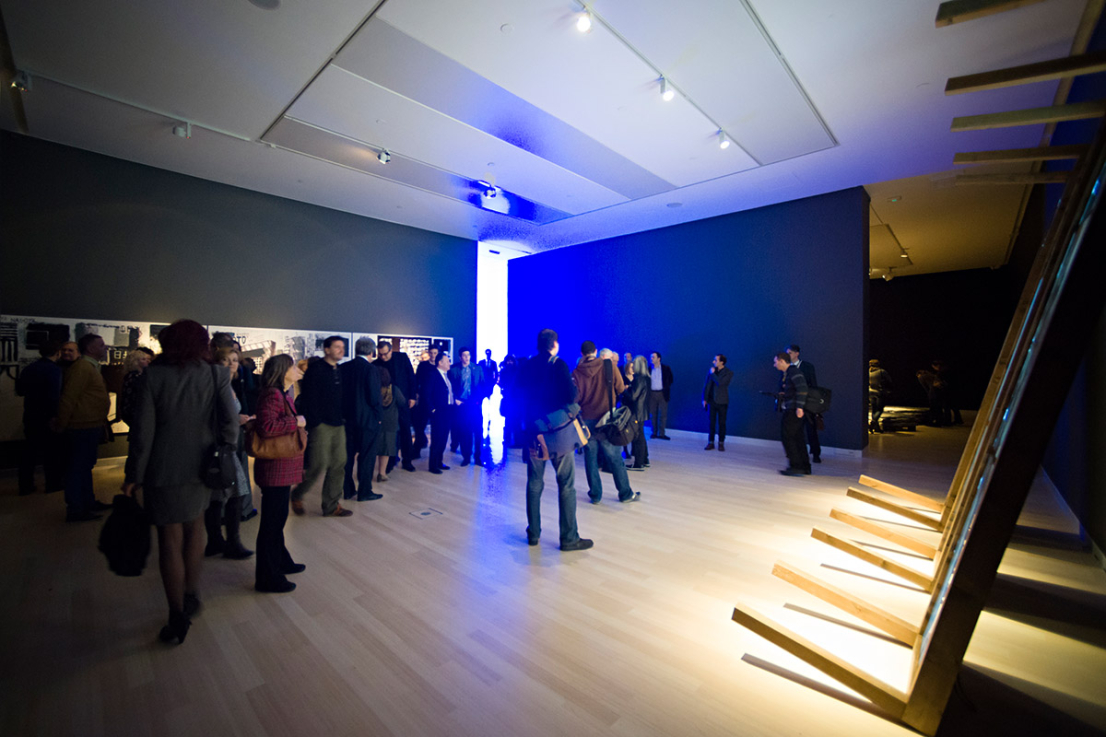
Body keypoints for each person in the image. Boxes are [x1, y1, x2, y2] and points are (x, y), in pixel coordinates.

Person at [122, 319, 239, 643]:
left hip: (163, 470)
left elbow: (143, 433)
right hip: (204, 468)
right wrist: (222, 451)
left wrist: (134, 474)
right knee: (195, 529)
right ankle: (191, 594)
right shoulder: (215, 374)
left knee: (169, 540)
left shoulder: (153, 376)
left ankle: (176, 616)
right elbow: (231, 422)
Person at [519, 329, 593, 551]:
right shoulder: (558, 364)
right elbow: (571, 396)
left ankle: (533, 534)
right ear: (554, 344)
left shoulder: (527, 365)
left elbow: (516, 396)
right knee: (566, 484)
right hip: (558, 432)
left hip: (534, 432)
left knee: (534, 483)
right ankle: (569, 538)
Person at [251, 354, 308, 594]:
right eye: (293, 366)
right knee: (272, 523)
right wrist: (297, 422)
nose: (297, 369)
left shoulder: (282, 393)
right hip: (275, 466)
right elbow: (267, 427)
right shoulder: (273, 394)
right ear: (283, 371)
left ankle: (281, 561)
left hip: (280, 466)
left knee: (277, 519)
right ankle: (267, 577)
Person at [572, 342, 638, 504]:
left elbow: (575, 399)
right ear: (595, 351)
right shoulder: (608, 366)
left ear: (581, 354)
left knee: (590, 459)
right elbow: (621, 389)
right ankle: (625, 493)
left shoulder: (576, 372)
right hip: (607, 419)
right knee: (615, 457)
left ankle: (595, 495)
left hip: (586, 420)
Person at [204, 347, 254, 559]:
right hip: (222, 446)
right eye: (226, 360)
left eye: (234, 360)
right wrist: (236, 420)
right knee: (234, 493)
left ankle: (217, 540)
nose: (231, 363)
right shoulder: (217, 386)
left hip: (225, 446)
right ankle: (230, 542)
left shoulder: (228, 385)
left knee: (221, 495)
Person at [291, 336, 349, 517]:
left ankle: (331, 505)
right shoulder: (315, 370)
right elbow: (308, 398)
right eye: (337, 347)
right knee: (318, 464)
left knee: (339, 463)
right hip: (321, 424)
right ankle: (297, 494)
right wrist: (315, 422)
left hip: (338, 423)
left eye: (342, 347)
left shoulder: (340, 370)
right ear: (327, 349)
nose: (341, 350)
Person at [56, 333, 112, 522]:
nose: (105, 348)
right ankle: (76, 508)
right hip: (82, 426)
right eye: (101, 345)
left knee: (84, 466)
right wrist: (61, 424)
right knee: (77, 467)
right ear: (90, 348)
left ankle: (87, 502)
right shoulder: (82, 368)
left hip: (89, 425)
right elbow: (69, 397)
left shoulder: (88, 367)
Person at [16, 340, 64, 495]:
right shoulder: (54, 370)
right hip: (47, 415)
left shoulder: (29, 368)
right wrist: (55, 416)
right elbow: (54, 395)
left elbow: (20, 390)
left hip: (31, 414)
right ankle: (52, 484)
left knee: (29, 452)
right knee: (51, 453)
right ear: (57, 353)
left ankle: (25, 485)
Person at [340, 337, 384, 504]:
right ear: (371, 351)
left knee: (348, 457)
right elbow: (374, 397)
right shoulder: (370, 369)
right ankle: (364, 491)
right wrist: (378, 417)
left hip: (347, 420)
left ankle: (348, 489)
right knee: (366, 456)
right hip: (367, 421)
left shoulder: (344, 367)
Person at [374, 340, 417, 472]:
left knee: (405, 431)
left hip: (403, 399)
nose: (383, 357)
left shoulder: (402, 358)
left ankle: (407, 460)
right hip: (386, 403)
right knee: (390, 433)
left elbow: (411, 377)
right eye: (380, 354)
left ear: (391, 350)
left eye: (385, 354)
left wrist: (412, 397)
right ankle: (390, 462)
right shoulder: (376, 364)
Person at [448, 347, 487, 467]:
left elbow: (483, 385)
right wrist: (455, 398)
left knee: (478, 431)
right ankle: (466, 457)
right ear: (460, 357)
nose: (467, 357)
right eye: (464, 355)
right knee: (465, 431)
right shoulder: (454, 369)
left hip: (475, 403)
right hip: (461, 404)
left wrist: (480, 399)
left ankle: (478, 457)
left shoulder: (477, 368)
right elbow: (450, 386)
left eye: (468, 355)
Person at [774, 352, 810, 477]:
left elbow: (802, 388)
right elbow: (796, 390)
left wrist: (799, 407)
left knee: (788, 437)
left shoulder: (793, 372)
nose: (775, 365)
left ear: (782, 361)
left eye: (776, 362)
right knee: (798, 437)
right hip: (793, 409)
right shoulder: (789, 373)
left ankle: (795, 466)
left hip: (793, 410)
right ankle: (804, 466)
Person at [787, 344, 821, 463]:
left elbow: (813, 384)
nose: (788, 355)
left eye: (790, 353)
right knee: (794, 430)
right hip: (792, 403)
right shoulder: (787, 367)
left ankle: (815, 453)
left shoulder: (807, 367)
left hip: (806, 403)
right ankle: (796, 453)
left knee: (811, 429)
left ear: (797, 353)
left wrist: (813, 402)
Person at [375, 369, 405, 482]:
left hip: (375, 422)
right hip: (390, 422)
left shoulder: (374, 389)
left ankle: (365, 473)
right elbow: (402, 402)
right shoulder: (394, 389)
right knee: (386, 449)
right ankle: (382, 473)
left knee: (373, 448)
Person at [426, 351, 454, 474]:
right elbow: (426, 394)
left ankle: (439, 461)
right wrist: (432, 409)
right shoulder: (433, 375)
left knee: (444, 437)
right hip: (438, 411)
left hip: (448, 410)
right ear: (440, 363)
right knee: (437, 438)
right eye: (447, 361)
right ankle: (433, 465)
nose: (449, 363)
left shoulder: (447, 375)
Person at [702, 354, 734, 451]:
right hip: (712, 401)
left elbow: (720, 383)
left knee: (722, 423)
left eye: (715, 360)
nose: (713, 362)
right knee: (711, 423)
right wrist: (704, 399)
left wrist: (712, 374)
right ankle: (710, 442)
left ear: (721, 362)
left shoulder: (728, 373)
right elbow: (707, 385)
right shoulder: (712, 371)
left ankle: (721, 443)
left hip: (722, 402)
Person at [625, 354, 650, 469]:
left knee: (638, 437)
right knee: (641, 436)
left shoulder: (639, 379)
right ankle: (644, 460)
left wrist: (625, 390)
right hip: (642, 411)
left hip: (637, 412)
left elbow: (633, 396)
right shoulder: (646, 378)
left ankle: (638, 463)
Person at [412, 347, 439, 455]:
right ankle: (417, 449)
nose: (433, 355)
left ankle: (434, 453)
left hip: (435, 400)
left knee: (435, 427)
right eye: (431, 353)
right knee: (419, 425)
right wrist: (417, 394)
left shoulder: (439, 365)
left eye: (435, 353)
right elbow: (417, 380)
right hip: (424, 398)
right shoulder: (423, 365)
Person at [119, 347, 155, 426]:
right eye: (143, 359)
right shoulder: (135, 377)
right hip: (135, 412)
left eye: (148, 359)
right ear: (135, 362)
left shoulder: (130, 376)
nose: (148, 361)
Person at [647, 351, 674, 440]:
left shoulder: (666, 368)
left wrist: (665, 388)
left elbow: (670, 380)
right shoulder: (648, 369)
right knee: (652, 414)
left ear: (659, 359)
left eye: (653, 357)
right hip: (651, 394)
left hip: (663, 394)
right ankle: (654, 432)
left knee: (663, 414)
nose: (651, 359)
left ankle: (661, 433)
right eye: (651, 357)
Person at [499, 354, 522, 448]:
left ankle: (514, 441)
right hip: (509, 398)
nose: (509, 363)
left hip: (514, 399)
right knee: (509, 420)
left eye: (511, 361)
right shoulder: (505, 372)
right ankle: (509, 440)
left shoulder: (517, 372)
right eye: (508, 361)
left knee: (514, 420)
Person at [868, 359, 893, 433]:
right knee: (879, 409)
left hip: (870, 392)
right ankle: (873, 421)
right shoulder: (882, 371)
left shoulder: (868, 372)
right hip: (879, 392)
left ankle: (876, 428)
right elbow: (889, 380)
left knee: (874, 409)